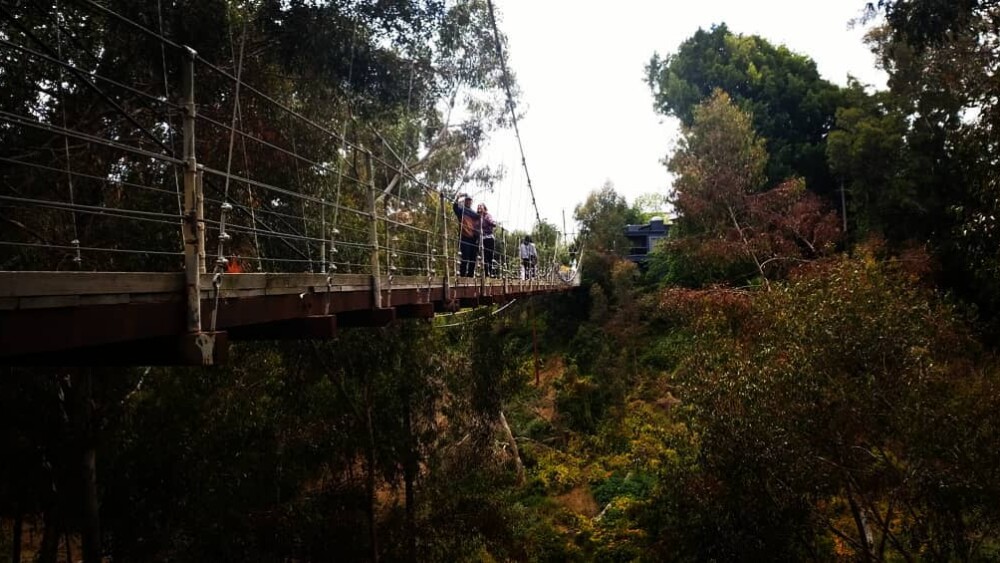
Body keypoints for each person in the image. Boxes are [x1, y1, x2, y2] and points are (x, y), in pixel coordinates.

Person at [453, 193, 480, 277]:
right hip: (465, 237)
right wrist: (457, 197)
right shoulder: (461, 210)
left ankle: (470, 276)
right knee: (465, 257)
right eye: (467, 200)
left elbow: (480, 220)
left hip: (474, 238)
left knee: (473, 258)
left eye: (469, 200)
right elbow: (455, 207)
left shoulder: (474, 214)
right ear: (464, 201)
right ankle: (462, 276)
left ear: (471, 202)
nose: (468, 202)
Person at [477, 203, 497, 277]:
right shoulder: (477, 217)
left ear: (484, 208)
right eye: (478, 207)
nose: (479, 208)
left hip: (489, 238)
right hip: (482, 239)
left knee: (490, 256)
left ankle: (490, 272)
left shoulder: (487, 216)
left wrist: (490, 221)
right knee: (484, 257)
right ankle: (486, 273)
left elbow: (493, 223)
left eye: (481, 207)